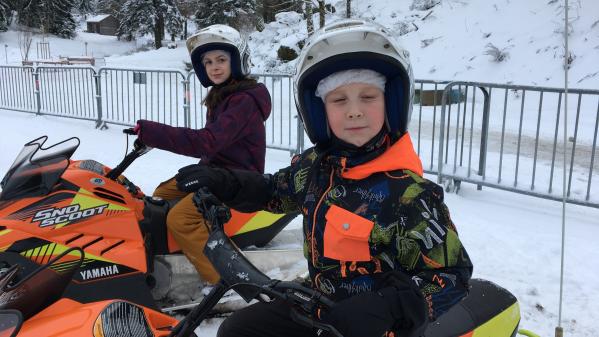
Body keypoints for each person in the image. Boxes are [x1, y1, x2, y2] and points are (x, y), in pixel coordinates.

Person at [175, 19, 473, 337]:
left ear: (392, 103)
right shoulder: (317, 167)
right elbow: (274, 190)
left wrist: (389, 306)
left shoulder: (410, 193)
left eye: (368, 97)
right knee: (238, 329)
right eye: (339, 100)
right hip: (318, 306)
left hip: (374, 326)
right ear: (319, 111)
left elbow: (453, 276)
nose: (354, 111)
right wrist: (225, 181)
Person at [134, 24, 271, 286]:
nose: (214, 67)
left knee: (181, 218)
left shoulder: (244, 100)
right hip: (218, 172)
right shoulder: (224, 95)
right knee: (162, 195)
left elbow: (207, 142)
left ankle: (226, 283)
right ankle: (183, 256)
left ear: (238, 60)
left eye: (221, 59)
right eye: (208, 62)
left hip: (239, 180)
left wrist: (154, 132)